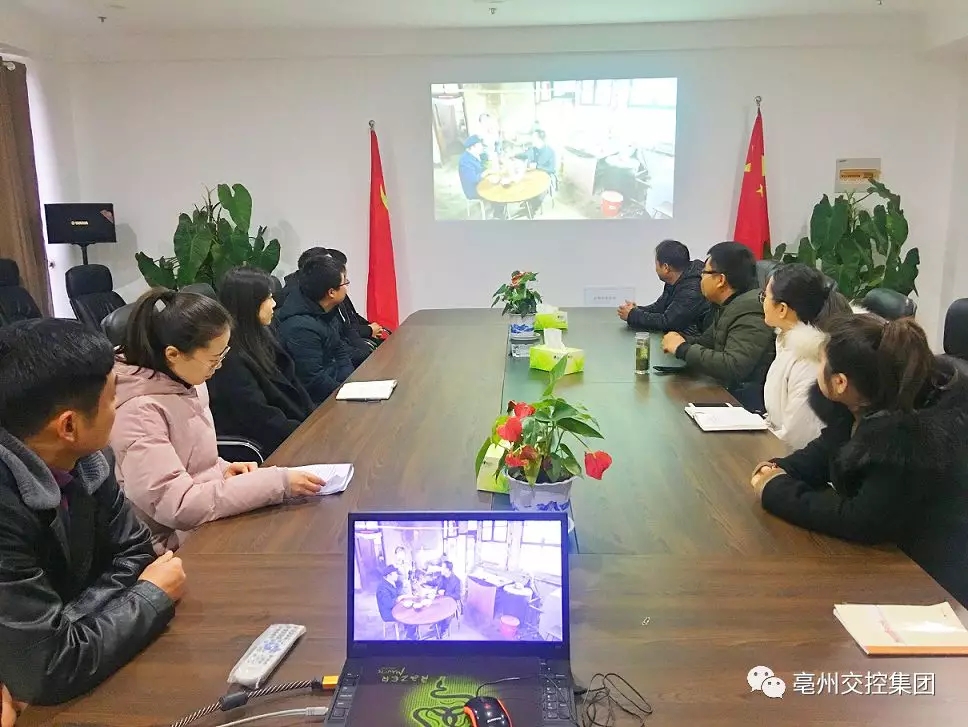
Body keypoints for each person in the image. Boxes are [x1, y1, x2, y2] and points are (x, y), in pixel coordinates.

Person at [0, 319, 186, 709]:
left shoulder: (87, 459)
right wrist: (149, 597)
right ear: (68, 426)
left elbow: (136, 554)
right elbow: (48, 670)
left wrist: (67, 629)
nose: (119, 409)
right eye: (113, 397)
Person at [751, 315, 968, 605]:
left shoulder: (907, 440)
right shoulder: (872, 399)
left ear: (840, 382)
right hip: (895, 556)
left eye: (820, 363)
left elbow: (861, 521)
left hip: (933, 581)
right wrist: (782, 468)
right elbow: (830, 448)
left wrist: (775, 489)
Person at [110, 288, 323, 553]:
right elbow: (178, 504)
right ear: (173, 354)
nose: (219, 367)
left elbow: (191, 459)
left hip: (205, 521)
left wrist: (222, 468)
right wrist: (277, 483)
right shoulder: (138, 412)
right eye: (213, 360)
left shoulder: (186, 380)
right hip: (171, 547)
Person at [207, 267, 316, 456]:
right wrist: (307, 433)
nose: (274, 304)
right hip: (270, 447)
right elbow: (260, 418)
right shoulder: (229, 358)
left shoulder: (261, 333)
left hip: (294, 429)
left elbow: (292, 382)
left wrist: (314, 418)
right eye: (268, 298)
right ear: (249, 304)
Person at [662, 241, 775, 412]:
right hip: (727, 393)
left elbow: (734, 365)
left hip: (745, 405)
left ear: (721, 280)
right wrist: (680, 340)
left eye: (704, 273)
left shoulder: (750, 310)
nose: (700, 278)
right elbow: (707, 342)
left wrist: (682, 349)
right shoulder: (727, 305)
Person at [761, 264, 853, 449]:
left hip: (792, 455)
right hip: (774, 442)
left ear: (782, 309)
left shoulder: (810, 359)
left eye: (765, 297)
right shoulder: (786, 341)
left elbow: (798, 438)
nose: (762, 302)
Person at [276, 255, 356, 404]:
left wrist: (350, 382)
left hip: (338, 389)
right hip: (319, 403)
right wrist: (346, 392)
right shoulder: (300, 329)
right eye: (345, 282)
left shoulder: (327, 310)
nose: (347, 287)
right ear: (331, 292)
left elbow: (340, 351)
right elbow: (314, 380)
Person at [618, 240, 711, 336]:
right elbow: (660, 307)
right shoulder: (675, 279)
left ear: (666, 268)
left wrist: (633, 315)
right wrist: (636, 310)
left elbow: (668, 322)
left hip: (693, 340)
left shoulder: (692, 287)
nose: (656, 269)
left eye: (656, 264)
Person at [458, 135, 486, 201]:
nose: (482, 147)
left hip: (480, 183)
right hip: (473, 190)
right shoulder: (465, 161)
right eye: (480, 146)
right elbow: (473, 179)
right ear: (473, 147)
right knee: (496, 191)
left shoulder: (476, 154)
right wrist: (485, 173)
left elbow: (483, 166)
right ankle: (497, 206)